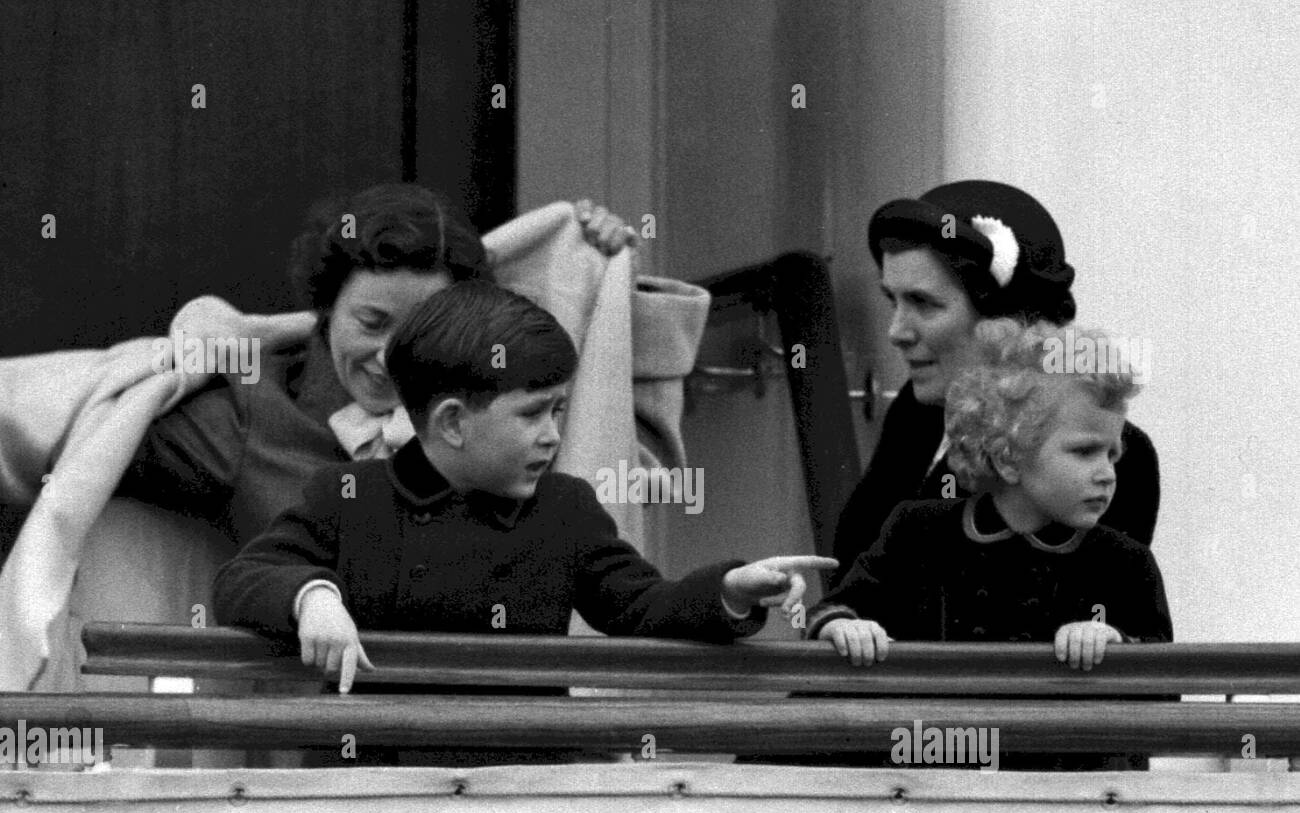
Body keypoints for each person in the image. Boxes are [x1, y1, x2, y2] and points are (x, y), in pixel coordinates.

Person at [213, 280, 837, 694]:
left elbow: (643, 606)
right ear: (453, 421)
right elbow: (243, 580)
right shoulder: (350, 496)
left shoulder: (564, 509)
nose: (551, 435)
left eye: (558, 412)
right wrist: (314, 600)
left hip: (527, 792)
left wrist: (730, 590)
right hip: (379, 792)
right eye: (532, 414)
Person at [114, 184, 636, 548]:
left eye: (422, 327)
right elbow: (78, 443)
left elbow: (626, 458)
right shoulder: (250, 411)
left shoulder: (505, 406)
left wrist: (607, 279)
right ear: (325, 311)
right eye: (371, 322)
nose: (391, 356)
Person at [831, 180, 1159, 587]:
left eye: (923, 303)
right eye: (892, 302)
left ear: (1005, 317)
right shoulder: (916, 415)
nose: (896, 332)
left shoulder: (1110, 457)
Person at [811, 321, 1172, 666]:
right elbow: (836, 608)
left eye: (1112, 456)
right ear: (1008, 458)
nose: (1107, 475)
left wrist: (1113, 645)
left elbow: (1165, 676)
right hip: (934, 729)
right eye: (1085, 452)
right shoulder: (918, 532)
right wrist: (844, 626)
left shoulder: (1125, 563)